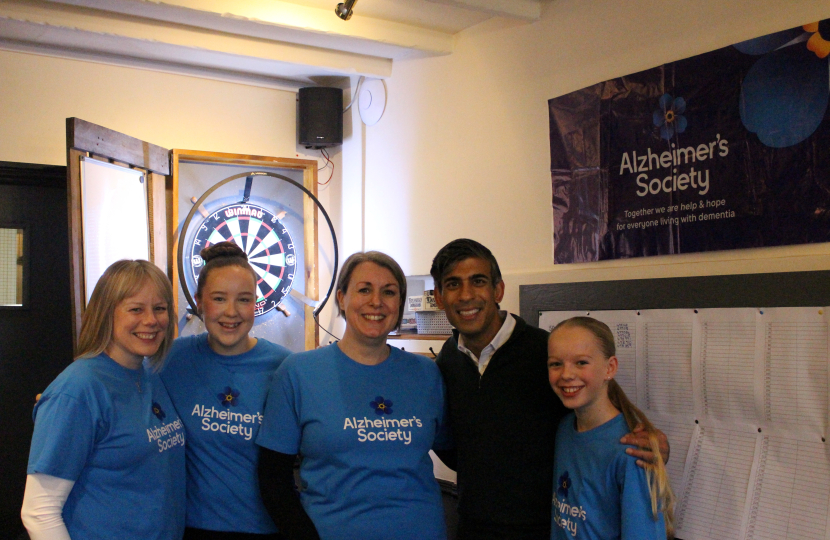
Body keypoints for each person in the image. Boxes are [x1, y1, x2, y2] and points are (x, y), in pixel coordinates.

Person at [429, 239, 669, 540]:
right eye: (452, 284)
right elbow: (450, 443)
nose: (466, 295)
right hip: (474, 525)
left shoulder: (546, 351)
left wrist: (650, 441)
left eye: (478, 281)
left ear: (498, 290)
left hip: (546, 528)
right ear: (438, 297)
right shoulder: (447, 360)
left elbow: (598, 406)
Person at [256, 251, 451, 540]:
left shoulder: (426, 373)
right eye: (364, 290)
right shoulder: (298, 373)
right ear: (341, 298)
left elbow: (456, 452)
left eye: (389, 292)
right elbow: (273, 478)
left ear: (399, 303)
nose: (377, 302)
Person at [21, 260, 185, 540]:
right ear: (106, 314)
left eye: (160, 308)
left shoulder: (148, 373)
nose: (151, 320)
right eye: (136, 309)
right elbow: (39, 511)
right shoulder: (78, 388)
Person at [159, 242, 292, 539]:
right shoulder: (171, 359)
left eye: (243, 300)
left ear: (255, 303)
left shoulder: (284, 367)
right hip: (189, 528)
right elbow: (122, 386)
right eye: (219, 299)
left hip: (266, 527)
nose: (231, 312)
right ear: (199, 302)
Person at [547, 317, 674, 539]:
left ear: (610, 368)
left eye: (581, 362)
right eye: (556, 363)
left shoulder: (632, 450)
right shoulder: (565, 429)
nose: (566, 374)